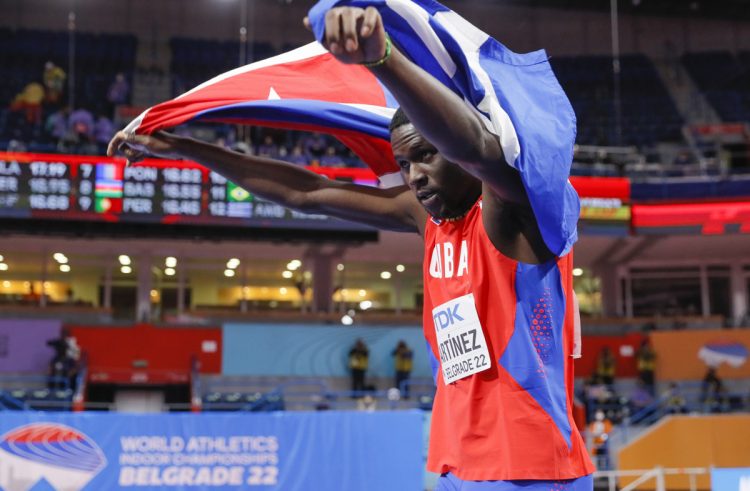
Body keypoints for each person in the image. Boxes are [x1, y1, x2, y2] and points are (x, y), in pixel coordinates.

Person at [108, 5, 593, 487]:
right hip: (456, 465)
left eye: (426, 155)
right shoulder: (426, 219)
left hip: (532, 468)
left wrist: (382, 57)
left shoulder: (515, 209)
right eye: (404, 164)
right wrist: (189, 148)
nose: (415, 176)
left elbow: (474, 146)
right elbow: (308, 192)